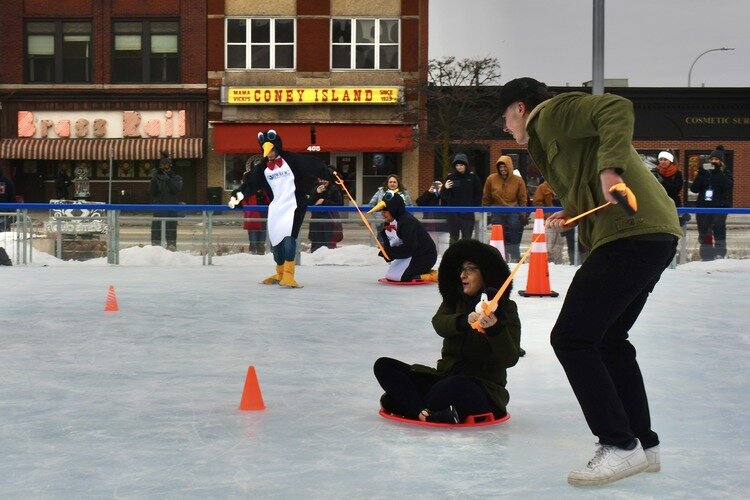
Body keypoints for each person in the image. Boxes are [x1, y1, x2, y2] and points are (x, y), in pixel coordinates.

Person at [499, 77, 682, 485]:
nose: (506, 128)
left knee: (572, 338)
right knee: (608, 340)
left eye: (505, 118)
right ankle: (643, 444)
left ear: (520, 108)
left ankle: (618, 445)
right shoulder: (548, 139)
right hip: (650, 234)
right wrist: (572, 209)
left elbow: (615, 107)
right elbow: (586, 173)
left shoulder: (552, 115)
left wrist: (610, 171)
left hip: (632, 236)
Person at [373, 239, 521, 423]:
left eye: (470, 269)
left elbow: (510, 358)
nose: (463, 275)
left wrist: (495, 329)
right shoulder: (454, 301)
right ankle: (428, 411)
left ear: (487, 273)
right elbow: (439, 323)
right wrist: (463, 320)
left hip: (482, 388)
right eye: (461, 270)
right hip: (445, 377)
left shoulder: (507, 309)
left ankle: (413, 405)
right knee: (384, 365)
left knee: (448, 387)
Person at [229, 129, 333, 288]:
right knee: (275, 242)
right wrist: (237, 197)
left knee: (288, 239)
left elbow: (312, 164)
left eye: (271, 150)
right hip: (277, 207)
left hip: (295, 205)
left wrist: (329, 172)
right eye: (266, 151)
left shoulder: (291, 159)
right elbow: (250, 185)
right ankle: (279, 273)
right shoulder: (262, 167)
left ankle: (289, 274)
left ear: (277, 147)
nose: (269, 154)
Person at [368, 191, 438, 282]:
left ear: (394, 209)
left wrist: (390, 253)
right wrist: (388, 253)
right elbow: (395, 244)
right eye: (382, 211)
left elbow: (409, 248)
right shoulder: (393, 221)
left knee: (402, 277)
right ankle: (420, 271)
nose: (382, 214)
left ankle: (432, 275)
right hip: (412, 255)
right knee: (391, 275)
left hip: (424, 257)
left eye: (385, 211)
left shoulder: (407, 223)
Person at [482, 155, 529, 262]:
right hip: (496, 209)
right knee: (498, 232)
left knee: (514, 230)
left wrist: (523, 213)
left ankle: (515, 256)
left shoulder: (518, 180)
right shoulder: (491, 179)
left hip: (513, 209)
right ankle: (498, 256)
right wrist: (485, 212)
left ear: (510, 167)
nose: (503, 169)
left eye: (505, 167)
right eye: (500, 167)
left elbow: (522, 198)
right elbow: (486, 196)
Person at [690, 147, 732, 261]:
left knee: (719, 230)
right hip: (703, 207)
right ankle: (706, 255)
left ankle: (719, 253)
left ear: (721, 161)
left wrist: (718, 172)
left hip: (720, 207)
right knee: (704, 231)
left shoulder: (725, 174)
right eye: (712, 159)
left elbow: (727, 187)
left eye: (717, 159)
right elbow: (694, 189)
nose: (714, 161)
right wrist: (700, 175)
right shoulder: (705, 174)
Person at [532, 180, 586, 265]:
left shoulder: (569, 184)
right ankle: (547, 263)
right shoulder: (543, 187)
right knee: (550, 244)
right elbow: (537, 202)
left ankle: (569, 262)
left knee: (568, 242)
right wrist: (547, 215)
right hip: (551, 220)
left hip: (568, 218)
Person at [441, 153, 482, 243]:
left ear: (466, 165)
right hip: (453, 214)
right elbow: (444, 196)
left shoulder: (473, 178)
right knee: (453, 238)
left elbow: (478, 193)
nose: (459, 167)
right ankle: (452, 256)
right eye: (457, 165)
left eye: (461, 165)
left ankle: (466, 256)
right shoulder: (451, 177)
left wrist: (472, 206)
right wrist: (445, 188)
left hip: (467, 214)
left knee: (467, 239)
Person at [150, 151, 183, 250]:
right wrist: (153, 180)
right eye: (163, 165)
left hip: (171, 209)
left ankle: (171, 247)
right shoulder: (157, 178)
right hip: (158, 208)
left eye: (167, 165)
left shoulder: (177, 178)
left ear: (170, 166)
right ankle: (155, 248)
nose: (165, 168)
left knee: (171, 230)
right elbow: (152, 193)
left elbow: (176, 190)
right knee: (156, 230)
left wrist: (167, 179)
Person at [241, 158, 269, 255]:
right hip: (252, 213)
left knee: (262, 237)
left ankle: (261, 254)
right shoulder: (248, 186)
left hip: (264, 213)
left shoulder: (265, 186)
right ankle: (253, 254)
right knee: (253, 238)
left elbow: (269, 199)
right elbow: (243, 199)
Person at [307, 176, 344, 252]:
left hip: (329, 218)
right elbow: (309, 203)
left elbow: (339, 204)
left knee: (329, 240)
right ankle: (315, 254)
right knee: (316, 239)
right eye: (321, 179)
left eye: (325, 179)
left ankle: (328, 255)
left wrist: (324, 201)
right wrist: (316, 193)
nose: (323, 181)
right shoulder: (315, 188)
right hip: (316, 218)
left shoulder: (334, 189)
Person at [653, 150, 688, 226]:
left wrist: (662, 181)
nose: (663, 162)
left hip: (673, 204)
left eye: (665, 160)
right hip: (659, 203)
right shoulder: (656, 172)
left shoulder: (677, 173)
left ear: (670, 161)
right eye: (661, 159)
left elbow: (676, 189)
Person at [415, 180, 448, 253]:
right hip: (429, 227)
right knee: (431, 249)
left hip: (443, 227)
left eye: (440, 185)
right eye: (435, 185)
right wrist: (429, 192)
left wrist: (443, 192)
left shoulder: (446, 195)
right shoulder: (429, 196)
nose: (437, 187)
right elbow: (419, 202)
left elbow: (449, 202)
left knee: (444, 249)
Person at [0, 168, 16, 233]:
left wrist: (11, 210)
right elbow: (12, 197)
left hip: (4, 211)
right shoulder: (7, 181)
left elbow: (12, 197)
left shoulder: (7, 181)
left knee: (4, 235)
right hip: (5, 211)